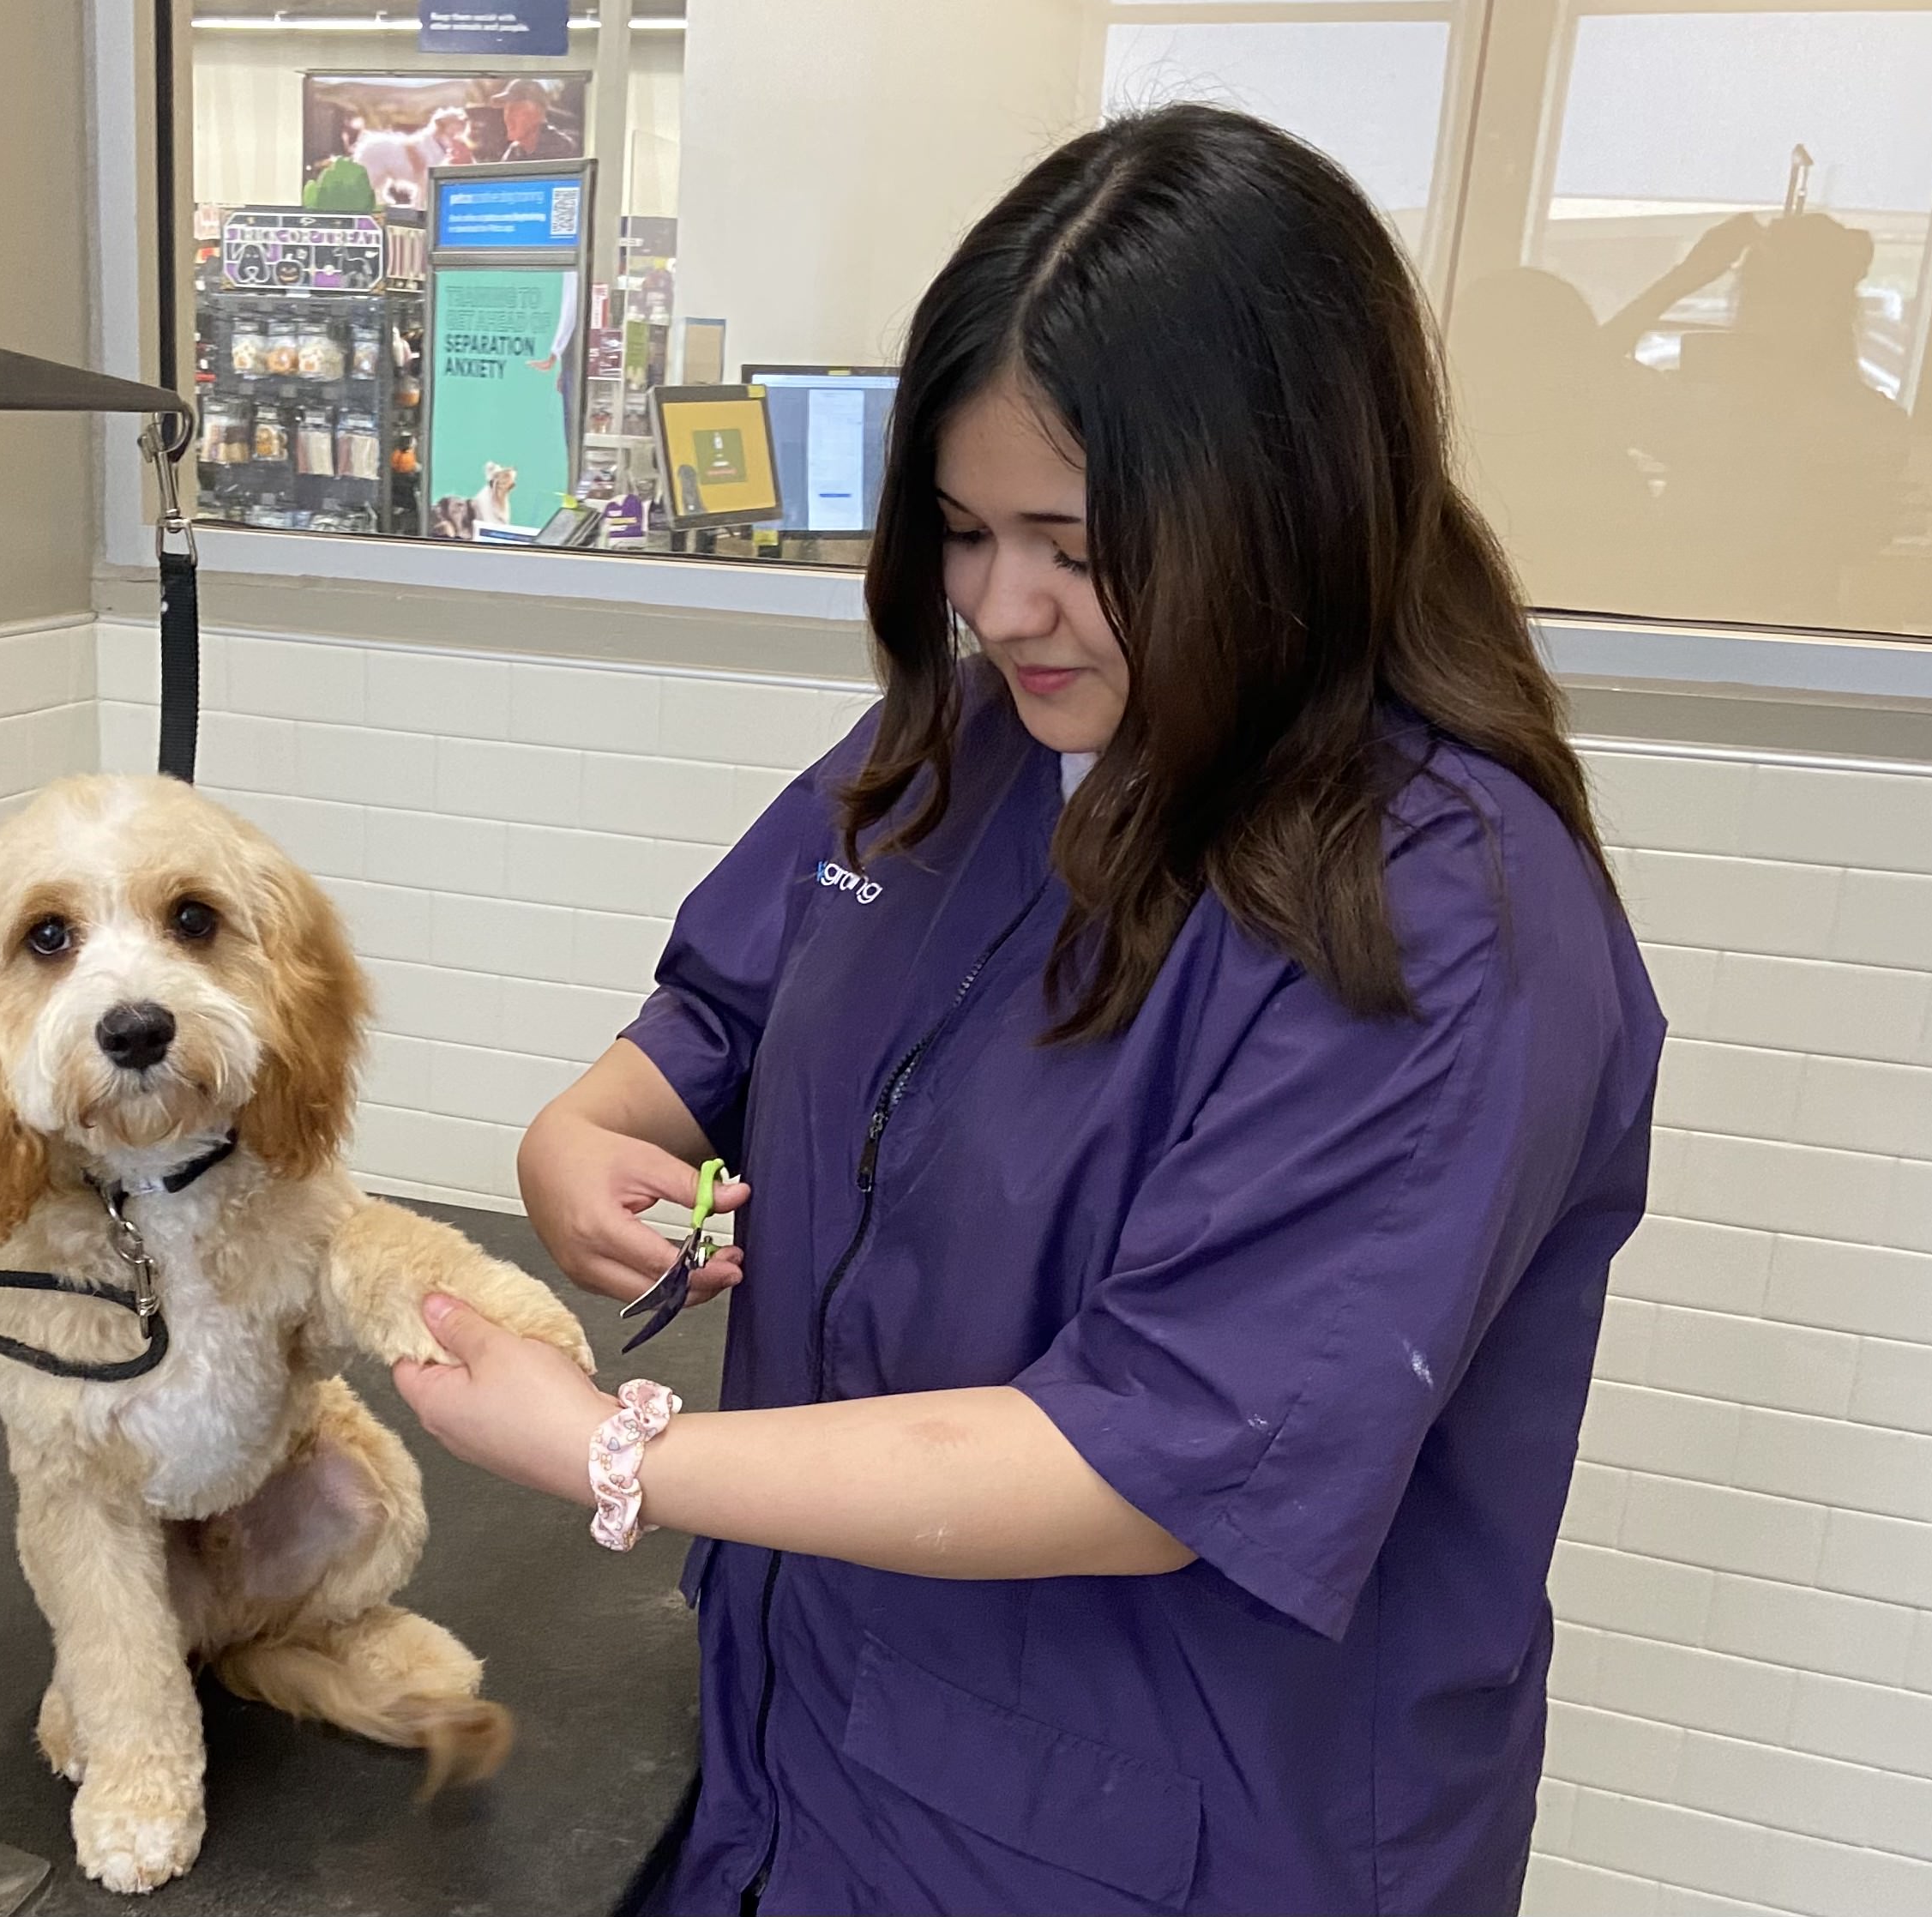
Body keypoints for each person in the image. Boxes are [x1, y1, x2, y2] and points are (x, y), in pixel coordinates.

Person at [394, 104, 1662, 1917]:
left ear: (1276, 500)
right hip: (821, 1744)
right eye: (961, 532)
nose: (1000, 606)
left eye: (1069, 542)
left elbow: (1154, 1451)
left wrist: (609, 1445)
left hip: (1174, 1828)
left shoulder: (1436, 917)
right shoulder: (978, 737)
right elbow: (732, 1002)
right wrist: (588, 1126)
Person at [490, 76, 579, 162]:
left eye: (515, 110)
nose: (508, 118)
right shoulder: (516, 150)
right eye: (506, 111)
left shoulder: (559, 147)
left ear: (537, 113)